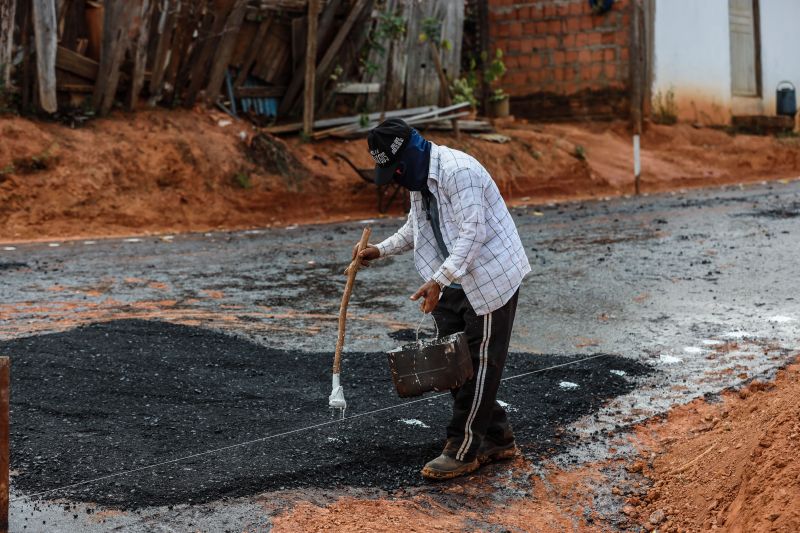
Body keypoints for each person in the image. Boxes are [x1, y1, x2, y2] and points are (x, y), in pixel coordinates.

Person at [353, 118, 531, 480]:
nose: (398, 181)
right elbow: (414, 229)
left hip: (489, 278)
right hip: (451, 281)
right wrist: (379, 251)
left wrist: (438, 280)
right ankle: (498, 437)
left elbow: (472, 234)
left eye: (397, 172)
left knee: (481, 365)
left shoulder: (458, 171)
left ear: (410, 157)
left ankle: (463, 449)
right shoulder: (420, 183)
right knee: (456, 365)